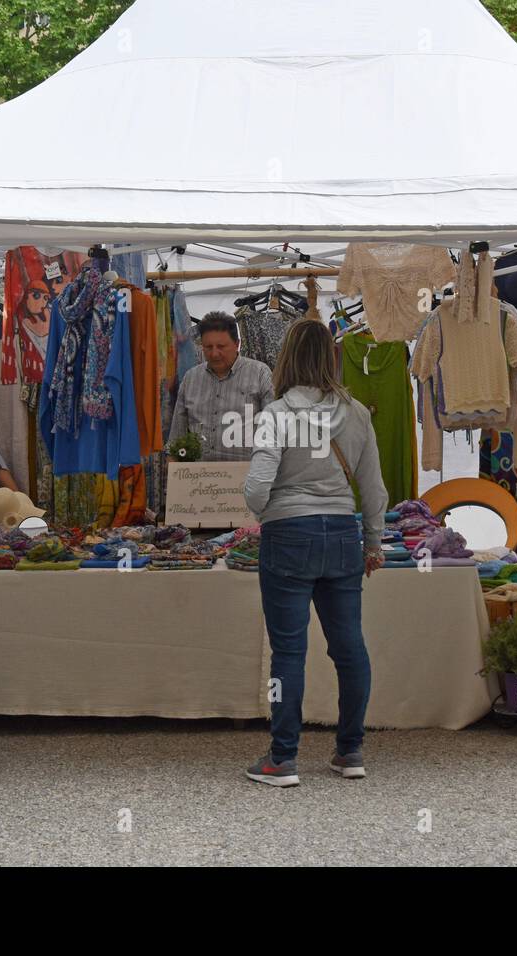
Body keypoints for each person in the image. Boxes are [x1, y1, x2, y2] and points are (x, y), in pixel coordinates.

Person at [242, 319, 388, 786]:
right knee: (349, 647)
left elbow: (257, 487)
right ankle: (350, 751)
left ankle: (282, 759)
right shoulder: (358, 413)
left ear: (286, 357)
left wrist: (267, 510)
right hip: (343, 533)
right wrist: (372, 542)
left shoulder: (277, 413)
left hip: (288, 534)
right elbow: (374, 490)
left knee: (288, 651)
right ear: (332, 357)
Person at [169, 312, 274, 461]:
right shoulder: (190, 379)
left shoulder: (260, 374)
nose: (214, 353)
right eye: (208, 347)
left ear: (237, 344)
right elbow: (176, 441)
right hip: (197, 479)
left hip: (246, 477)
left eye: (221, 346)